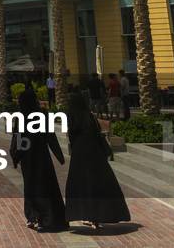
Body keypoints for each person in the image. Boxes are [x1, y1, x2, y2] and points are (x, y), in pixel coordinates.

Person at [64, 93, 130, 230]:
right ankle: (97, 216)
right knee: (97, 185)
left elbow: (71, 137)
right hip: (95, 154)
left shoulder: (72, 117)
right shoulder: (89, 116)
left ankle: (86, 215)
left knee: (82, 186)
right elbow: (97, 132)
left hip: (79, 155)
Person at [11, 87, 66, 233]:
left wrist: (15, 156)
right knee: (44, 186)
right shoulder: (42, 115)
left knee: (30, 186)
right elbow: (50, 136)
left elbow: (18, 137)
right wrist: (59, 156)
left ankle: (32, 216)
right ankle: (45, 218)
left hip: (27, 157)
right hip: (42, 156)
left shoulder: (21, 116)